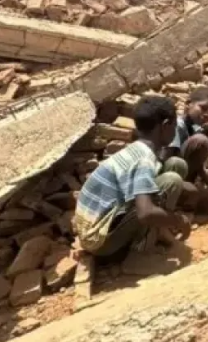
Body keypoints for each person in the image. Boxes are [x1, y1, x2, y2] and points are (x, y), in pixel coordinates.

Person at [73, 95, 192, 259]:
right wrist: (179, 220)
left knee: (176, 165)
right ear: (165, 125)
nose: (175, 131)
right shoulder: (144, 160)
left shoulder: (137, 149)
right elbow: (145, 213)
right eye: (174, 125)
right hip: (99, 241)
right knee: (171, 181)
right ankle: (139, 253)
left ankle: (159, 232)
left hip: (99, 227)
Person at [162, 86, 208, 194]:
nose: (207, 115)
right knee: (201, 141)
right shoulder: (177, 126)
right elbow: (165, 160)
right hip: (167, 179)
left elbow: (198, 163)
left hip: (181, 175)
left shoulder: (194, 128)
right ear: (188, 103)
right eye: (203, 108)